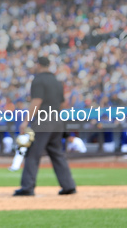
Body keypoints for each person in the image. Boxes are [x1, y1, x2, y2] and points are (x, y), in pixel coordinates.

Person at [13, 56, 77, 196]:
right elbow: (62, 105)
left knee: (32, 153)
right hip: (57, 121)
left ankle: (27, 187)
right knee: (57, 154)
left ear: (38, 65)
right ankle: (69, 186)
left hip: (43, 121)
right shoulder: (57, 81)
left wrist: (26, 121)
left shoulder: (38, 79)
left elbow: (36, 101)